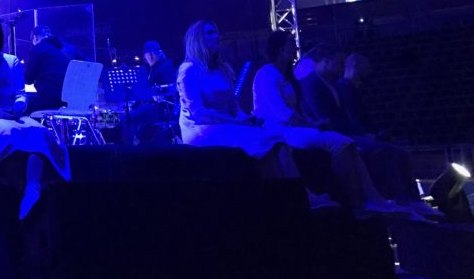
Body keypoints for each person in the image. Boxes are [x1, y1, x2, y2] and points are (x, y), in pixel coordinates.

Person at [176, 20, 335, 208]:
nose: (216, 36)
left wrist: (248, 119)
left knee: (276, 141)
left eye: (216, 32)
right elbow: (199, 114)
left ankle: (296, 199)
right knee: (270, 140)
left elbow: (235, 107)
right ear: (196, 40)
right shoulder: (188, 70)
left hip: (227, 125)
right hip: (201, 130)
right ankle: (302, 200)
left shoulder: (222, 69)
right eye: (209, 33)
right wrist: (238, 123)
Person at [252, 30, 402, 212]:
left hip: (292, 127)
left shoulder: (286, 76)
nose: (296, 48)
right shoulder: (266, 73)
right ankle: (356, 204)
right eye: (292, 45)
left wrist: (311, 123)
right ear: (282, 49)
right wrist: (311, 124)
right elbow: (281, 112)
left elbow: (295, 111)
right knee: (340, 143)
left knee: (347, 144)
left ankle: (373, 198)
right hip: (277, 129)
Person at [0, 13, 70, 219]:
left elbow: (20, 94)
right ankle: (24, 188)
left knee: (40, 131)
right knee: (12, 131)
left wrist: (18, 107)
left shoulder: (11, 61)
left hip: (8, 117)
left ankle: (33, 186)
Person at [300, 44, 431, 213]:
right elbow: (326, 118)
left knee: (395, 151)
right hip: (334, 135)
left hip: (345, 132)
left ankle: (408, 201)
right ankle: (402, 202)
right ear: (326, 61)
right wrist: (362, 135)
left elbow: (341, 117)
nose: (342, 67)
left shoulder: (331, 84)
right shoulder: (311, 84)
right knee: (387, 151)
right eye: (339, 63)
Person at [23, 25, 71, 113]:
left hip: (49, 100)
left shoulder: (38, 48)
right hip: (68, 98)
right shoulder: (63, 50)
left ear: (35, 37)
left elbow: (28, 79)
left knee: (21, 105)